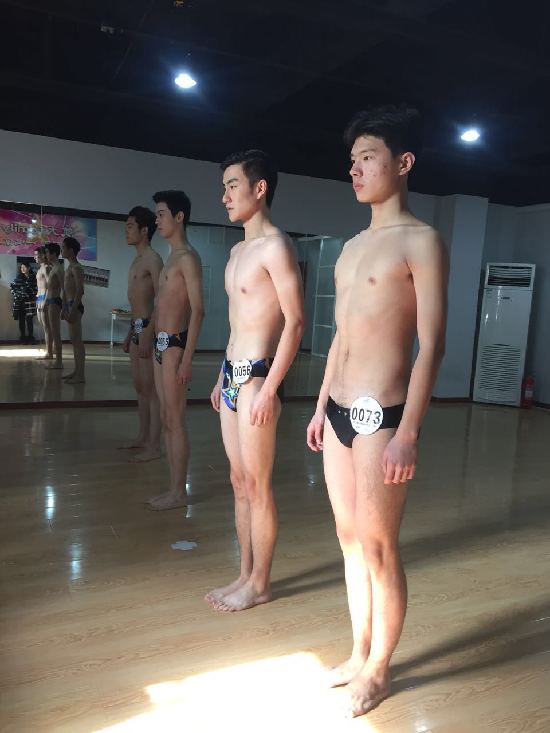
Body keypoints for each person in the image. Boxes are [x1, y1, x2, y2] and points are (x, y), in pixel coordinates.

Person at [306, 105, 448, 717]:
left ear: (403, 162)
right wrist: (318, 407)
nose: (356, 169)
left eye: (368, 157)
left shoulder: (421, 240)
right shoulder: (351, 247)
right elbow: (341, 336)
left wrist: (408, 432)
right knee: (348, 540)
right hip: (338, 408)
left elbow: (432, 344)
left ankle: (380, 669)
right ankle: (359, 650)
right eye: (353, 160)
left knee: (379, 545)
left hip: (380, 415)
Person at [206, 150, 305, 612]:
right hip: (232, 374)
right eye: (224, 187)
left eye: (232, 185)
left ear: (259, 188)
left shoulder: (276, 247)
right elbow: (236, 324)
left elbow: (296, 322)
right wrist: (219, 375)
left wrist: (269, 388)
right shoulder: (236, 251)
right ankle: (245, 573)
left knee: (258, 484)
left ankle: (261, 583)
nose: (224, 196)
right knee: (238, 480)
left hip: (258, 378)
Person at [145, 190, 204, 510]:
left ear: (179, 217)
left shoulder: (187, 258)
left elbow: (198, 311)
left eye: (161, 214)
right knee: (166, 416)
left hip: (174, 347)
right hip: (160, 345)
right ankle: (173, 488)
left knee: (175, 418)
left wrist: (187, 360)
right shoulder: (170, 257)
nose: (157, 220)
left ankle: (179, 492)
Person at [120, 206, 163, 462]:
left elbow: (162, 299)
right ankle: (142, 436)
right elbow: (136, 303)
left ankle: (154, 446)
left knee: (151, 389)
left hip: (148, 328)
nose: (126, 231)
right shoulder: (136, 260)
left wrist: (149, 332)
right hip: (136, 327)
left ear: (144, 230)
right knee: (139, 386)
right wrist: (130, 333)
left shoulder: (153, 259)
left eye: (130, 226)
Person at [61, 236, 86, 384]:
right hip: (70, 305)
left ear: (71, 250)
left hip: (75, 306)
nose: (61, 251)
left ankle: (81, 375)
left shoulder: (77, 268)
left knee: (77, 341)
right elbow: (65, 291)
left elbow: (80, 291)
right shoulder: (69, 268)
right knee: (73, 340)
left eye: (63, 248)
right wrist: (64, 307)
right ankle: (76, 371)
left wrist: (72, 309)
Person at [44, 242, 64, 369]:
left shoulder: (58, 269)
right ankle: (57, 360)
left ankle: (59, 362)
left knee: (56, 332)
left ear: (54, 254)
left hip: (55, 302)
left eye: (47, 252)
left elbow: (64, 288)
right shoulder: (53, 268)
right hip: (51, 302)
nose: (46, 255)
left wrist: (65, 306)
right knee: (53, 331)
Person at [10, 261, 37, 344]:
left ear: (29, 268)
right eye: (21, 267)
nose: (22, 269)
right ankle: (22, 338)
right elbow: (12, 289)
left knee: (29, 320)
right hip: (20, 302)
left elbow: (36, 289)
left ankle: (31, 338)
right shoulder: (18, 278)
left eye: (24, 267)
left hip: (29, 302)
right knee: (21, 320)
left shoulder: (33, 278)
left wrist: (28, 293)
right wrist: (19, 294)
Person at [34, 246, 53, 359]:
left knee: (47, 327)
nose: (35, 257)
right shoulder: (40, 268)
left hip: (45, 298)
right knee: (44, 326)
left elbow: (49, 286)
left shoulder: (47, 268)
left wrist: (45, 301)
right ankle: (50, 349)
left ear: (43, 255)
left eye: (36, 255)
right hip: (39, 298)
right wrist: (38, 299)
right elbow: (39, 286)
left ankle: (49, 352)